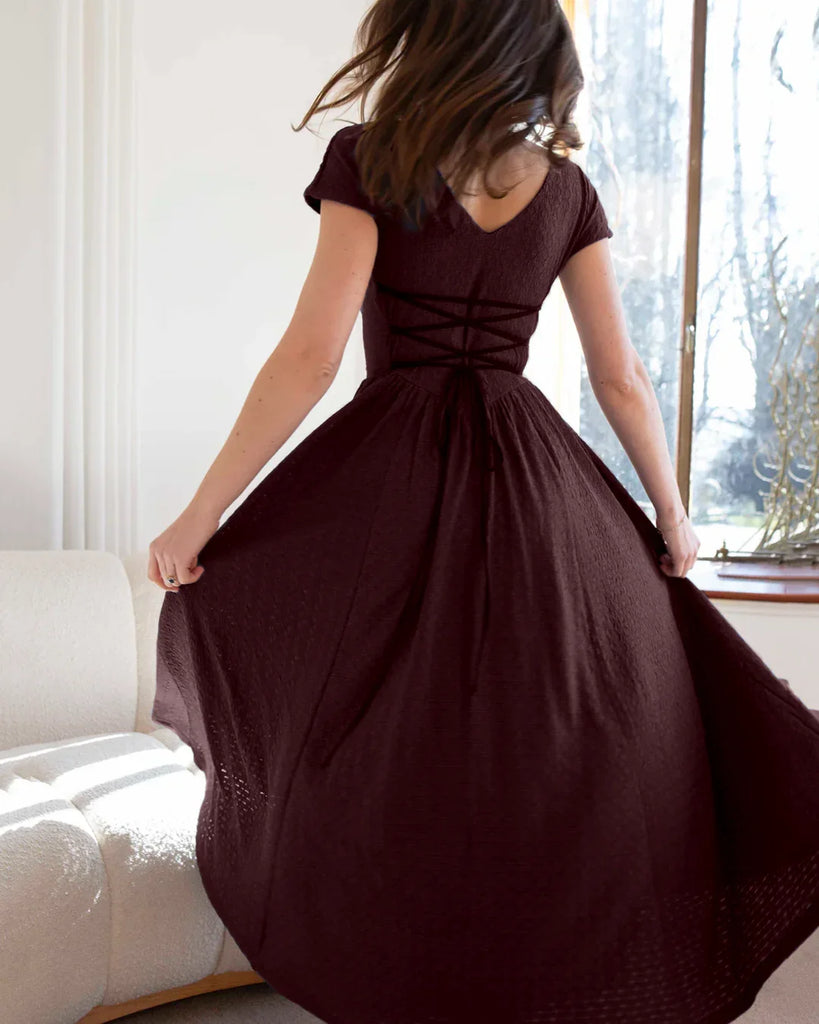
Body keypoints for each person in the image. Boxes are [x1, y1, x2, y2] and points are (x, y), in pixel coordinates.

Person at [148, 2, 819, 1022]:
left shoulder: (371, 159)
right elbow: (622, 377)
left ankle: (387, 958)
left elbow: (312, 356)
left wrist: (200, 517)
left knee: (383, 732)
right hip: (535, 485)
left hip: (387, 474)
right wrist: (673, 520)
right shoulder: (566, 191)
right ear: (530, 55)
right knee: (548, 742)